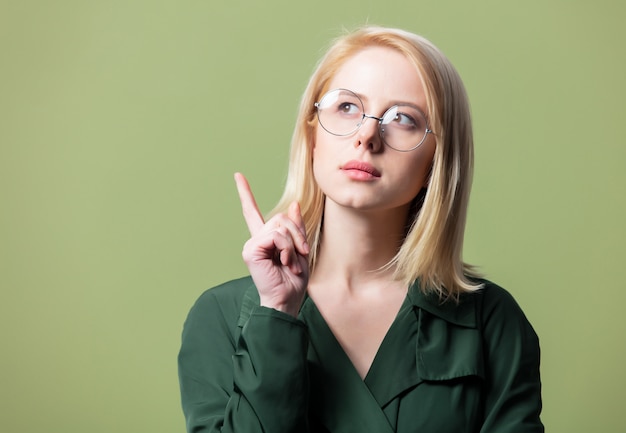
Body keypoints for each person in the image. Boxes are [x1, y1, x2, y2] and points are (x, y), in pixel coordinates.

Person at [178, 26, 544, 432]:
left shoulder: (492, 321)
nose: (367, 135)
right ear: (312, 131)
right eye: (347, 107)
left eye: (403, 118)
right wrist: (277, 313)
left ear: (436, 162)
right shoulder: (221, 316)